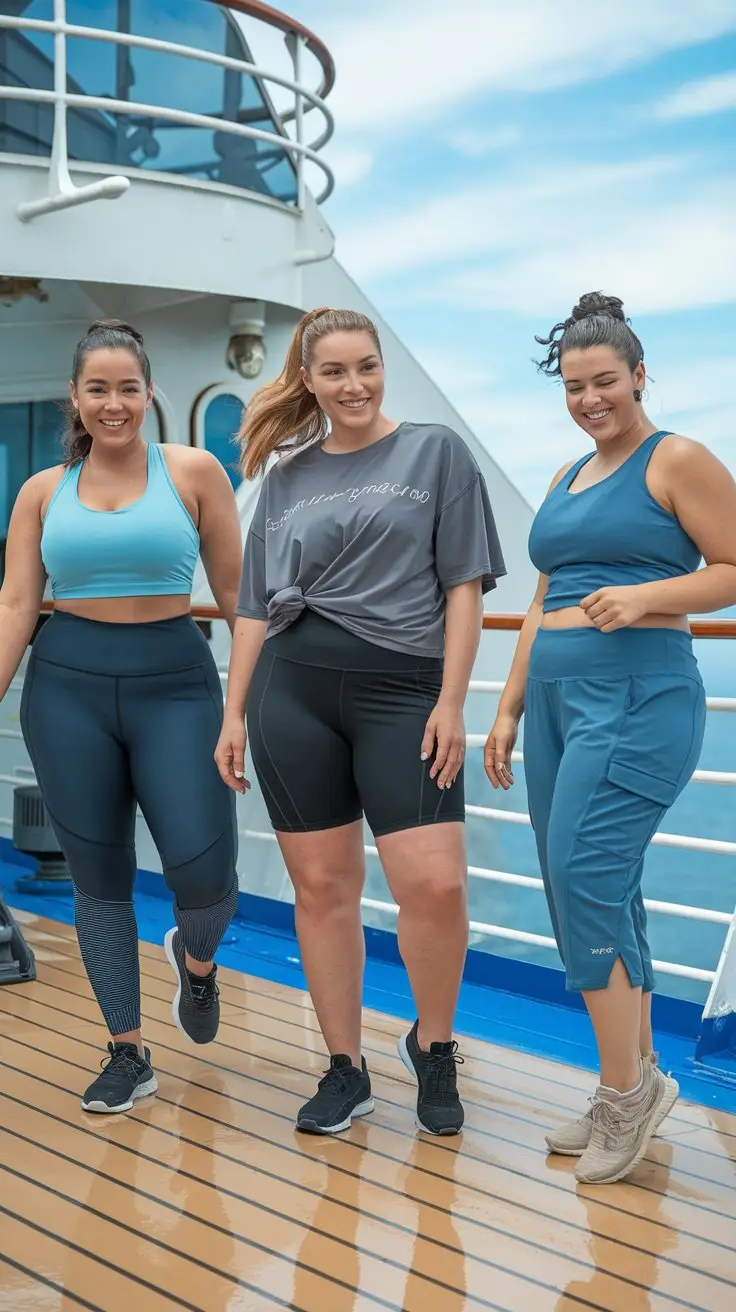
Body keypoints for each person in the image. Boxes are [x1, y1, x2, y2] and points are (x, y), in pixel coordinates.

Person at [215, 307, 505, 1136]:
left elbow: (463, 587)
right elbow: (251, 609)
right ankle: (345, 1066)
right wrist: (233, 712)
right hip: (293, 694)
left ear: (383, 367)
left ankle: (435, 1044)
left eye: (367, 367)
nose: (355, 385)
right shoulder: (286, 475)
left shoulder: (435, 452)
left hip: (405, 695)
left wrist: (453, 701)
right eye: (335, 371)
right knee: (322, 888)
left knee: (437, 885)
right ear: (309, 379)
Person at [484, 291, 736, 1185]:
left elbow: (732, 569)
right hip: (555, 704)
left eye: (605, 383)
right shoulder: (566, 477)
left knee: (588, 879)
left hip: (638, 698)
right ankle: (636, 1083)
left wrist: (648, 598)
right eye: (574, 386)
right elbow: (543, 601)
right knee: (587, 887)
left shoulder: (678, 460)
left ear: (638, 375)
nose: (591, 400)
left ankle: (625, 1101)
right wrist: (509, 706)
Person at [0, 320, 243, 1113]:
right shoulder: (42, 491)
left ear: (148, 394)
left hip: (175, 683)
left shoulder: (196, 472)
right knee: (100, 877)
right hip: (66, 686)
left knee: (203, 876)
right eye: (97, 389)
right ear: (76, 396)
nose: (114, 404)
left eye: (128, 388)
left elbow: (243, 601)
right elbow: (15, 603)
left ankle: (197, 965)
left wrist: (248, 703)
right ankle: (126, 1050)